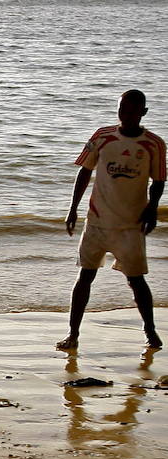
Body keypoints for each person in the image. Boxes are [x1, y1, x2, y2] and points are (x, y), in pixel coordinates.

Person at [59, 90, 165, 351]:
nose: (126, 116)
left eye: (131, 111)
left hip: (130, 225)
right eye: (122, 110)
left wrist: (152, 209)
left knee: (136, 279)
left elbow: (159, 181)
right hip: (97, 221)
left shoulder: (154, 143)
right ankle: (72, 334)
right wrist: (72, 209)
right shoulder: (102, 137)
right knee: (85, 276)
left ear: (143, 113)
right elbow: (85, 172)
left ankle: (150, 332)